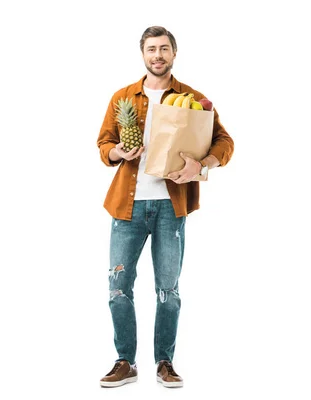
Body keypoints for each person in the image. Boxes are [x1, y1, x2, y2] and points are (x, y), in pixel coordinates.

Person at [96, 26, 234, 388]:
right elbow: (103, 144)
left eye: (164, 49)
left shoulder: (193, 98)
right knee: (118, 285)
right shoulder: (122, 96)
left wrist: (201, 166)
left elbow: (224, 141)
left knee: (168, 289)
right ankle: (125, 361)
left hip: (171, 207)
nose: (157, 55)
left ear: (174, 53)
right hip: (126, 208)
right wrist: (117, 152)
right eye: (151, 49)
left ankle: (164, 363)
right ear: (143, 54)